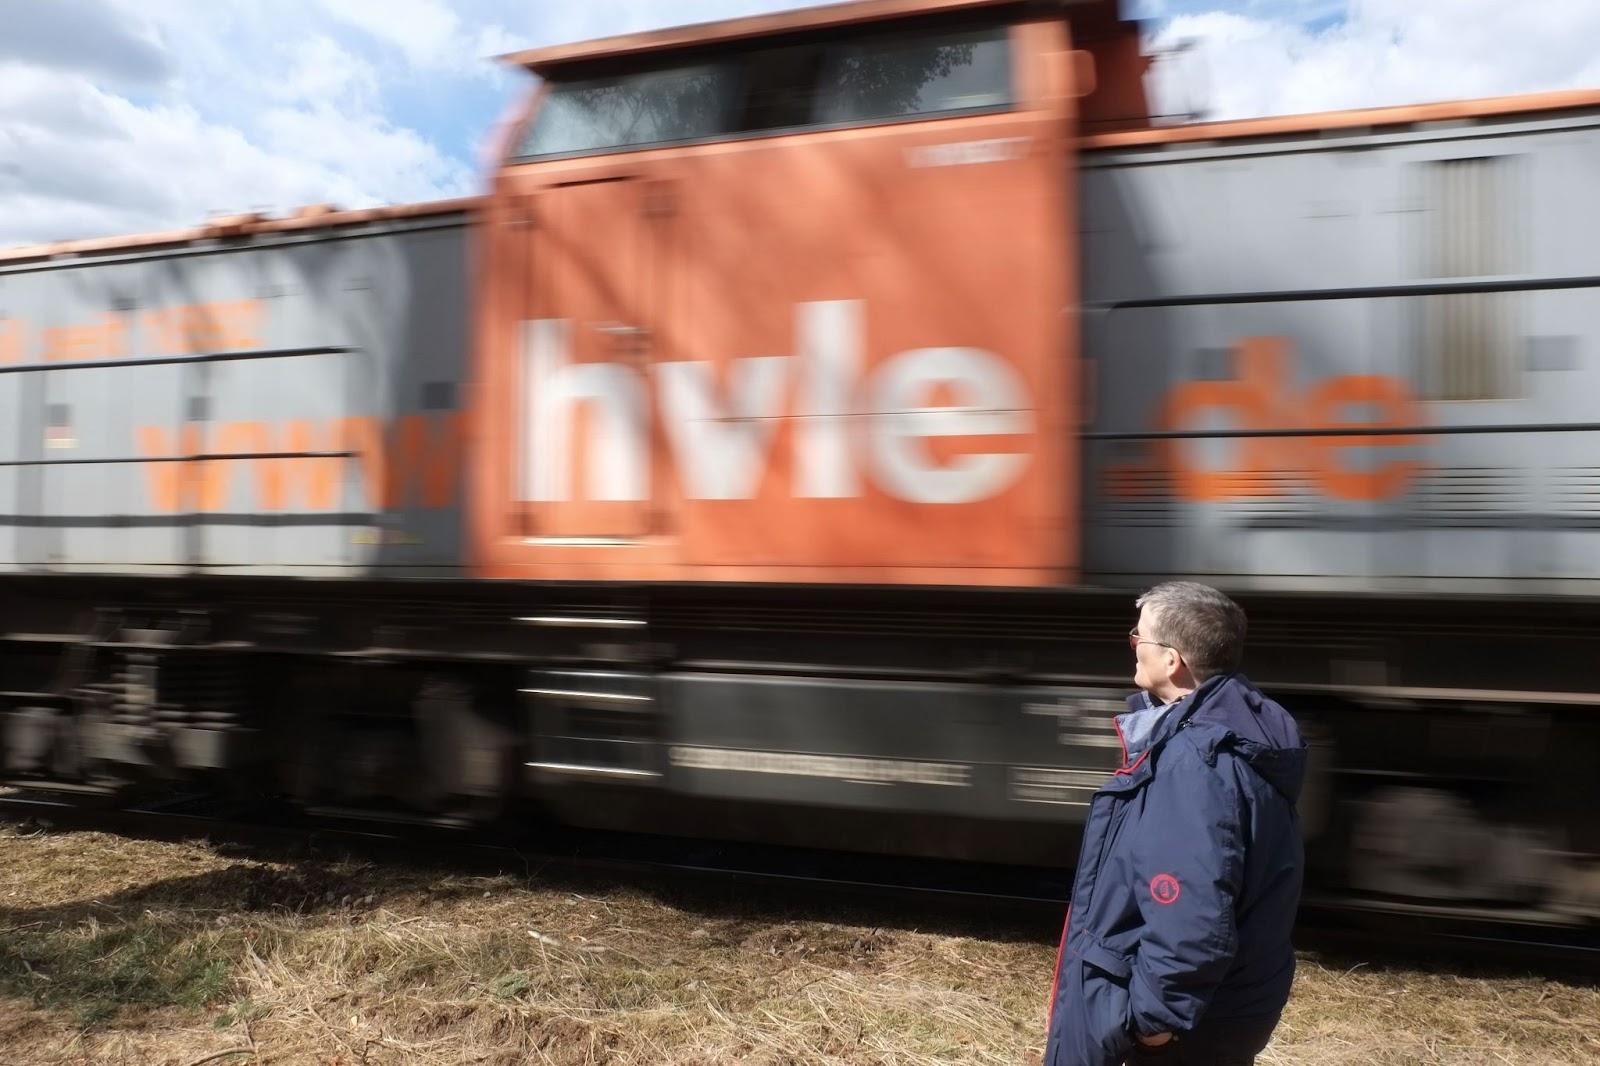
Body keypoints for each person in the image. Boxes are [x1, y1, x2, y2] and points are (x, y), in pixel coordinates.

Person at [1043, 582, 1306, 1066]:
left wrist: (1154, 1028)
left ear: (1172, 661)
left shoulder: (1194, 765)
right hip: (1229, 1008)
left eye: (1138, 638)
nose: (1132, 646)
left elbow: (1191, 914)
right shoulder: (1245, 735)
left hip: (1184, 1031)